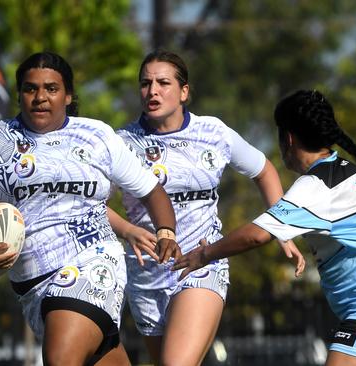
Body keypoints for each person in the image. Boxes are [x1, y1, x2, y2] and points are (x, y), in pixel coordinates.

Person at [0, 51, 180, 366]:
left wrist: (165, 232)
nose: (40, 97)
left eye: (51, 89)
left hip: (94, 261)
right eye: (30, 88)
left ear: (67, 96)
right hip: (33, 285)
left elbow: (152, 192)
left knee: (59, 359)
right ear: (20, 94)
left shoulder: (96, 136)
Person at [106, 50, 306, 365]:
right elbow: (92, 203)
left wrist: (283, 230)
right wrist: (128, 230)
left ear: (184, 91)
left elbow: (264, 171)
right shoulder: (121, 143)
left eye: (163, 82)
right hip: (146, 274)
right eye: (145, 84)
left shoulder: (213, 132)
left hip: (202, 264)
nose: (153, 91)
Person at [173, 89, 356, 365]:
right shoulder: (347, 170)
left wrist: (204, 255)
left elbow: (257, 235)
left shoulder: (316, 186)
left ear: (288, 138)